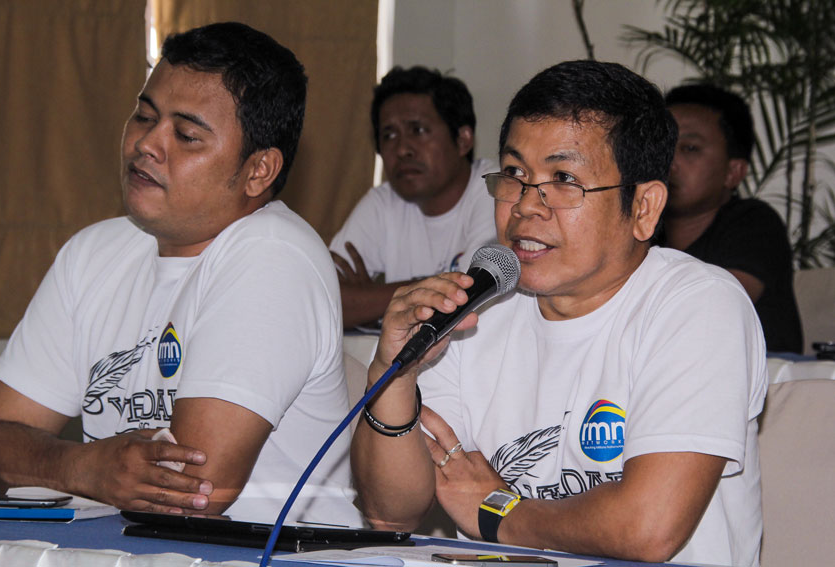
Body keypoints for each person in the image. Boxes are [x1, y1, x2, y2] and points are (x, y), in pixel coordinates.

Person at [352, 61, 766, 566]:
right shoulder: (476, 308)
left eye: (564, 179)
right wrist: (392, 374)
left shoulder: (697, 305)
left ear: (644, 208)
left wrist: (499, 512)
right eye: (515, 175)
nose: (526, 206)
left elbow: (647, 527)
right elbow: (391, 515)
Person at [0, 22, 360, 525]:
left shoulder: (274, 255)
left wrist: (60, 466)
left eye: (186, 135)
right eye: (144, 116)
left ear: (258, 171)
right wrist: (81, 466)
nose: (148, 143)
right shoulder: (93, 252)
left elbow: (196, 491)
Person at [330, 66, 497, 329]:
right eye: (389, 135)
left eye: (417, 130)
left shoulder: (495, 189)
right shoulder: (384, 201)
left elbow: (466, 297)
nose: (402, 149)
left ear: (463, 140)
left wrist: (370, 298)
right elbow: (322, 303)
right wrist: (427, 289)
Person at [660, 83, 803, 353]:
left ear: (733, 172)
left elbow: (710, 310)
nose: (669, 161)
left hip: (767, 387)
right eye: (663, 145)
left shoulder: (754, 224)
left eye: (689, 148)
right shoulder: (638, 230)